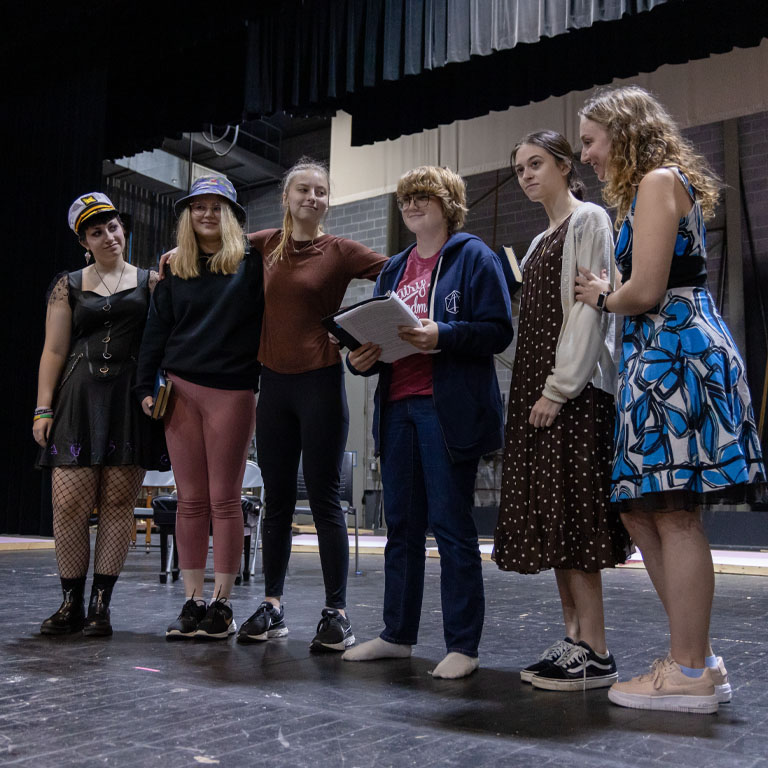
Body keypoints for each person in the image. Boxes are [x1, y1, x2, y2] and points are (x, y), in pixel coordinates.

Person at [575, 85, 766, 713]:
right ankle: (697, 656)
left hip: (677, 360)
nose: (587, 156)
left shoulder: (658, 180)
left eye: (591, 141)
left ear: (623, 131)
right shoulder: (646, 190)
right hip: (653, 364)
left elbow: (649, 289)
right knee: (641, 510)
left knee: (673, 511)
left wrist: (602, 293)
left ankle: (689, 669)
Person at [341, 165, 513, 678]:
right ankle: (398, 634)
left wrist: (443, 334)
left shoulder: (473, 256)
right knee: (401, 524)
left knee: (449, 523)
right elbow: (374, 333)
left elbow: (497, 330)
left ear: (448, 204)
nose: (411, 206)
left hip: (445, 408)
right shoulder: (393, 268)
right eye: (405, 199)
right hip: (397, 406)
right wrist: (360, 358)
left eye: (422, 197)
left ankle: (463, 644)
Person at [494, 131, 632, 691]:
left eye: (535, 164)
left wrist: (560, 387)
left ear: (563, 165)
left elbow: (586, 313)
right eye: (519, 167)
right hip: (536, 388)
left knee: (575, 515)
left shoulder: (589, 220)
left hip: (570, 394)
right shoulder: (535, 242)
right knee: (553, 516)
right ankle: (574, 636)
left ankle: (596, 648)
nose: (526, 175)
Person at [234, 157, 388, 652]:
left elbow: (397, 271)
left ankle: (336, 613)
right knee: (277, 500)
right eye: (303, 189)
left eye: (321, 191)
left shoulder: (340, 251)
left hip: (320, 384)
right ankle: (272, 606)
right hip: (273, 388)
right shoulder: (263, 245)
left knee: (324, 501)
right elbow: (209, 248)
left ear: (327, 201)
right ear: (287, 197)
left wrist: (363, 329)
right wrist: (170, 259)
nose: (312, 198)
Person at [34, 193, 169, 637]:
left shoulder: (151, 281)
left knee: (117, 505)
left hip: (129, 401)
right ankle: (70, 601)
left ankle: (100, 606)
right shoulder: (67, 284)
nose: (109, 236)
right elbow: (54, 349)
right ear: (83, 242)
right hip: (77, 398)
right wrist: (42, 407)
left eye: (113, 227)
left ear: (123, 229)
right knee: (69, 504)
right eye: (97, 232)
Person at [135, 176, 263, 640]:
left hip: (233, 390)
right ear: (187, 215)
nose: (207, 214)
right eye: (198, 206)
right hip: (180, 390)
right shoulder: (174, 268)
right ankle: (192, 601)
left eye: (217, 207)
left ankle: (222, 604)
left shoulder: (253, 262)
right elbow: (156, 330)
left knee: (226, 500)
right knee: (190, 500)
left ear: (230, 214)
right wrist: (144, 387)